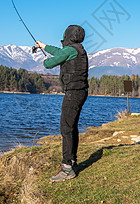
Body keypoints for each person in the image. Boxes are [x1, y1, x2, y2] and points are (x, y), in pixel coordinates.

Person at [35, 25, 88, 182]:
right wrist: (43, 46)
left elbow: (50, 63)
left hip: (73, 94)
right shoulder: (77, 49)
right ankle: (72, 162)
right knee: (72, 128)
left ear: (68, 36)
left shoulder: (70, 50)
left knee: (66, 128)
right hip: (80, 92)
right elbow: (59, 52)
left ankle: (67, 168)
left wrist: (45, 61)